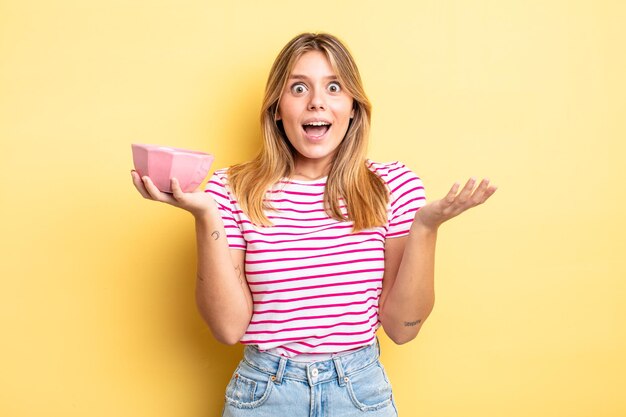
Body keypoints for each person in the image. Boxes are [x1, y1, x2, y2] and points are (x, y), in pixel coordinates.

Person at [131, 32, 496, 416]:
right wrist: (205, 215)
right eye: (299, 88)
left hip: (360, 393)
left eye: (334, 87)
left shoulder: (394, 186)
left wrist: (425, 228)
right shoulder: (231, 189)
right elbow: (228, 329)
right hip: (265, 395)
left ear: (353, 106)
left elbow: (403, 329)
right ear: (277, 108)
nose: (317, 102)